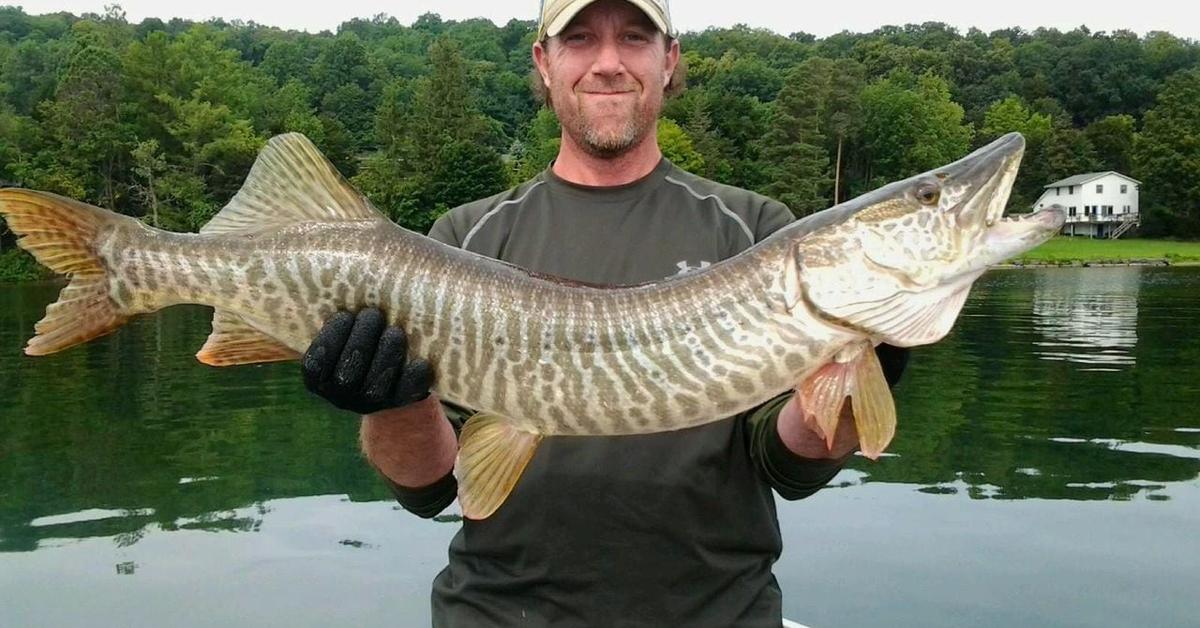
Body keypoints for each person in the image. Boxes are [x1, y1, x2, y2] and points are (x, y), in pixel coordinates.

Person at [301, 1, 907, 625]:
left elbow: (790, 466)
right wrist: (392, 404)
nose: (609, 62)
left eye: (635, 38)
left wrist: (871, 370)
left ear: (668, 60)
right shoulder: (465, 236)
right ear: (545, 62)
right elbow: (429, 487)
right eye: (581, 39)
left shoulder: (755, 233)